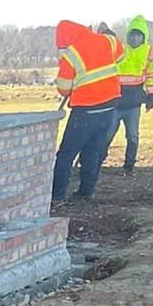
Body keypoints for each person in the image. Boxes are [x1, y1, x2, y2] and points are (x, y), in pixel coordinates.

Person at [50, 19, 123, 204]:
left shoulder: (73, 54)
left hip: (85, 111)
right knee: (92, 150)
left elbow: (63, 88)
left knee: (66, 154)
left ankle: (57, 195)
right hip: (109, 108)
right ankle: (86, 192)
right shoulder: (107, 40)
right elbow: (121, 54)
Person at [110, 15, 153, 173]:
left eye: (138, 35)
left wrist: (151, 95)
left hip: (133, 103)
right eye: (132, 34)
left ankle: (129, 166)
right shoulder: (121, 50)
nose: (134, 38)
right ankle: (97, 162)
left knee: (132, 136)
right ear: (128, 35)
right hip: (116, 101)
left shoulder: (150, 52)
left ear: (143, 36)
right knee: (107, 135)